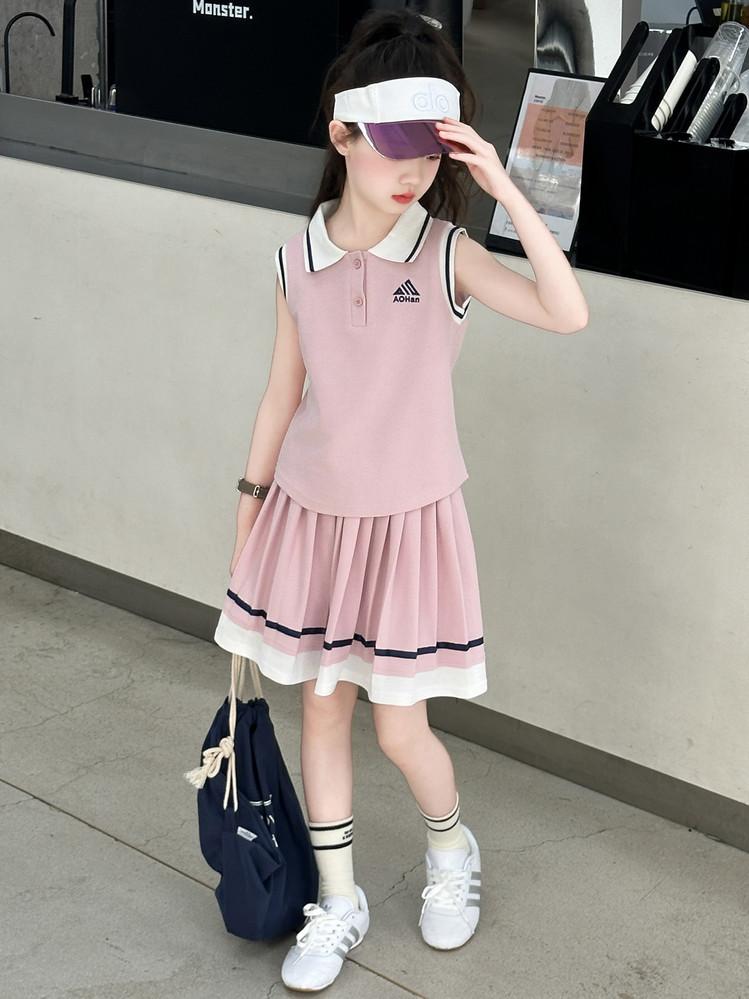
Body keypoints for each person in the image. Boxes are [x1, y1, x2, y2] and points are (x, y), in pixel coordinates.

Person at [213, 8, 589, 992]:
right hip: (310, 521)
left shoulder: (446, 253)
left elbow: (565, 312)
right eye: (394, 145)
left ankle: (449, 846)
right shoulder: (296, 258)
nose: (414, 169)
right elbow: (281, 396)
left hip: (409, 527)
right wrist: (248, 511)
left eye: (430, 149)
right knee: (321, 715)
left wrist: (502, 186)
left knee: (397, 727)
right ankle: (337, 900)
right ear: (342, 134)